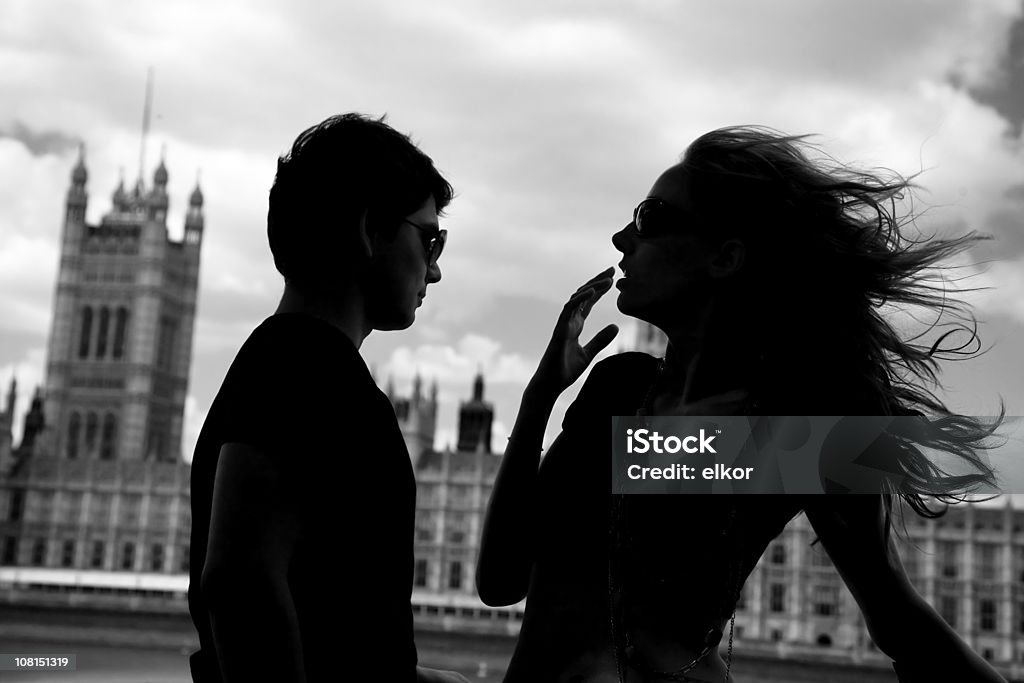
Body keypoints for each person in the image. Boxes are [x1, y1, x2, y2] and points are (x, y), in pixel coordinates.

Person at [477, 127, 1007, 683]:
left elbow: (900, 618)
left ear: (725, 257)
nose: (619, 238)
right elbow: (501, 581)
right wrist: (540, 398)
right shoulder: (619, 385)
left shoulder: (788, 436)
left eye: (649, 218)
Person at [188, 113, 467, 683]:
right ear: (370, 229)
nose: (435, 270)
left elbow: (329, 620)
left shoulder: (292, 364)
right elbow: (240, 583)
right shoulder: (305, 371)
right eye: (430, 238)